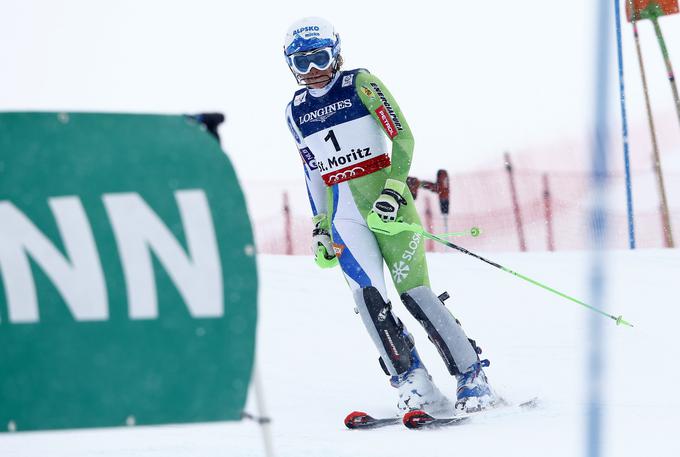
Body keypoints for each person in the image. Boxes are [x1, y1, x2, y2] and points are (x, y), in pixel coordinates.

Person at [283, 17, 494, 414]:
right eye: (301, 63)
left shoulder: (360, 83)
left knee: (414, 292)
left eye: (320, 58)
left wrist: (395, 189)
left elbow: (403, 136)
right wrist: (320, 226)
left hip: (386, 202)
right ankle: (412, 381)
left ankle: (471, 373)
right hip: (343, 210)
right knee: (367, 299)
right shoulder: (295, 111)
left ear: (336, 53)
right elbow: (312, 171)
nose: (312, 70)